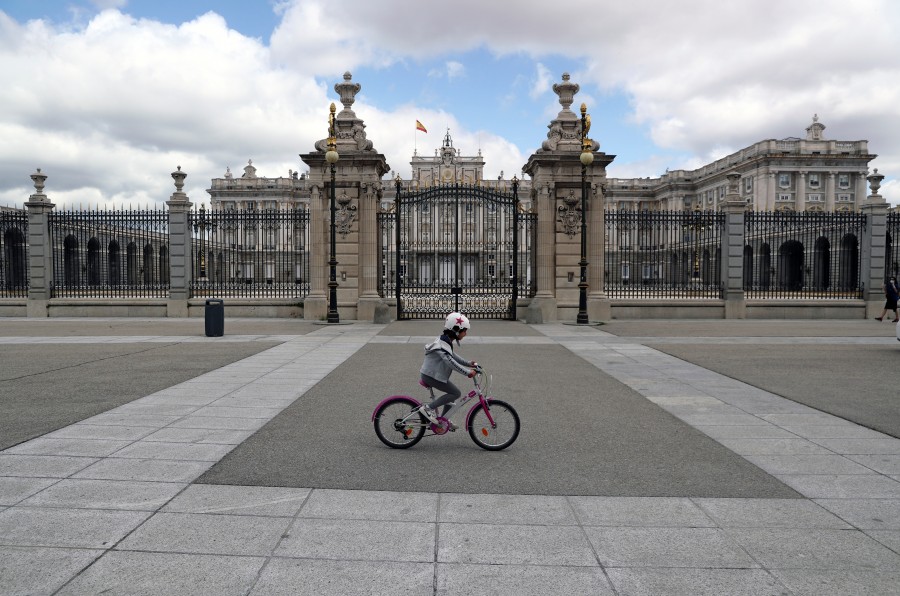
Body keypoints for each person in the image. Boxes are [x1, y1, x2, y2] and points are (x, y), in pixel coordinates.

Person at [419, 312, 478, 425]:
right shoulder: (442, 344)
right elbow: (450, 362)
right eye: (464, 330)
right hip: (430, 375)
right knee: (455, 393)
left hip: (434, 374)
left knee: (452, 393)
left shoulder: (445, 341)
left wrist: (469, 363)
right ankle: (427, 409)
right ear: (456, 330)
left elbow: (453, 356)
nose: (465, 333)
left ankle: (444, 419)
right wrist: (468, 373)